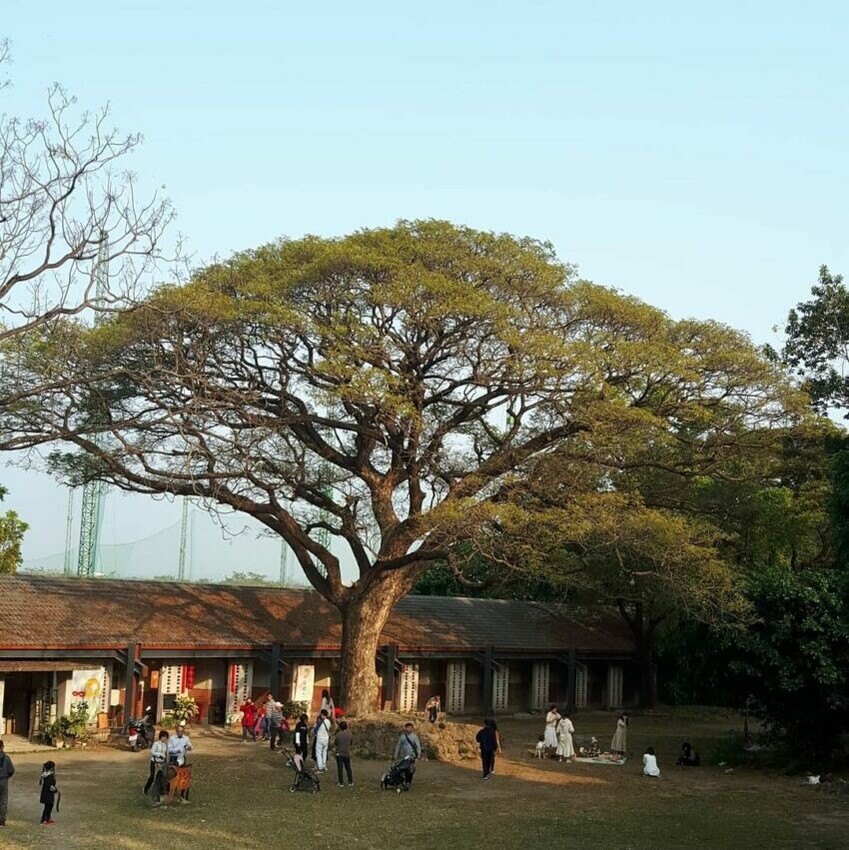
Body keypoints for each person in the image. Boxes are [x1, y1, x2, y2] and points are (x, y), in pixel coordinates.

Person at [167, 723, 193, 802]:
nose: (180, 733)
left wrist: (188, 747)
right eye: (178, 731)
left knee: (182, 776)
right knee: (171, 776)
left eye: (182, 731)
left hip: (182, 758)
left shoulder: (186, 738)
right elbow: (169, 749)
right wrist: (176, 750)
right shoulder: (172, 738)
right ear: (176, 731)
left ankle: (182, 795)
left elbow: (190, 747)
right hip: (174, 757)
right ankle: (170, 793)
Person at [393, 722, 422, 787]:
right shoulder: (402, 737)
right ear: (405, 728)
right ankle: (403, 780)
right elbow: (398, 746)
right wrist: (396, 754)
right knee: (402, 768)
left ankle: (408, 782)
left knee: (410, 769)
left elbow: (418, 746)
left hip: (411, 756)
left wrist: (418, 755)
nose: (409, 729)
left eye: (410, 728)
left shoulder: (414, 737)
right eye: (408, 727)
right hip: (403, 756)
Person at [144, 730, 169, 803]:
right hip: (154, 762)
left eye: (166, 737)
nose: (164, 739)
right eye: (163, 737)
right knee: (152, 777)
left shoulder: (165, 745)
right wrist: (159, 755)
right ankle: (146, 789)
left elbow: (165, 754)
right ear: (160, 737)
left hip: (161, 763)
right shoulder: (156, 743)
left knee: (160, 777)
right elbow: (152, 751)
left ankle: (159, 791)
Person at [38, 760, 58, 826]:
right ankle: (44, 820)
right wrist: (55, 790)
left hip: (46, 793)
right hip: (48, 794)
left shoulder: (46, 775)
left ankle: (47, 818)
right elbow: (50, 786)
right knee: (48, 807)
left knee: (48, 806)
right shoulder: (50, 776)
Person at [335, 720, 353, 787]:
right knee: (348, 768)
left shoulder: (338, 735)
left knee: (340, 768)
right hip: (347, 753)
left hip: (339, 753)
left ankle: (341, 782)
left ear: (340, 727)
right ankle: (350, 781)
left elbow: (336, 743)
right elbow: (351, 743)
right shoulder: (350, 734)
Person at [0, 740, 14, 827]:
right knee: (3, 800)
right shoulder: (6, 758)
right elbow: (11, 770)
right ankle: (1, 821)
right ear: (2, 747)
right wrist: (7, 775)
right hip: (4, 780)